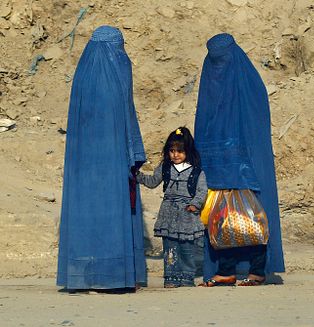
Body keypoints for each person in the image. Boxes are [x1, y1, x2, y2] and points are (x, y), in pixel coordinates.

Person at [57, 26, 147, 292]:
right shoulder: (117, 73)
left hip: (83, 166)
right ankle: (114, 276)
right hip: (113, 163)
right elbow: (127, 119)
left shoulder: (83, 76)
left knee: (87, 213)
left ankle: (83, 277)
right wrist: (135, 153)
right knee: (112, 211)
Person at [194, 33, 285, 287]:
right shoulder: (211, 80)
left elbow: (254, 126)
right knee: (223, 218)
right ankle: (226, 270)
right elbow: (205, 123)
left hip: (247, 164)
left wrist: (241, 158)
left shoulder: (249, 84)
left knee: (252, 216)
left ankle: (256, 270)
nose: (218, 64)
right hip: (220, 162)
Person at [136, 127, 207, 288]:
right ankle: (171, 278)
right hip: (168, 213)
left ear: (188, 151)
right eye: (172, 150)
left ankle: (187, 277)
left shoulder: (197, 172)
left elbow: (202, 190)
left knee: (187, 248)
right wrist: (137, 175)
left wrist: (194, 205)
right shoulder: (165, 168)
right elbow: (152, 181)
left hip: (187, 214)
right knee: (170, 247)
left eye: (180, 151)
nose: (175, 154)